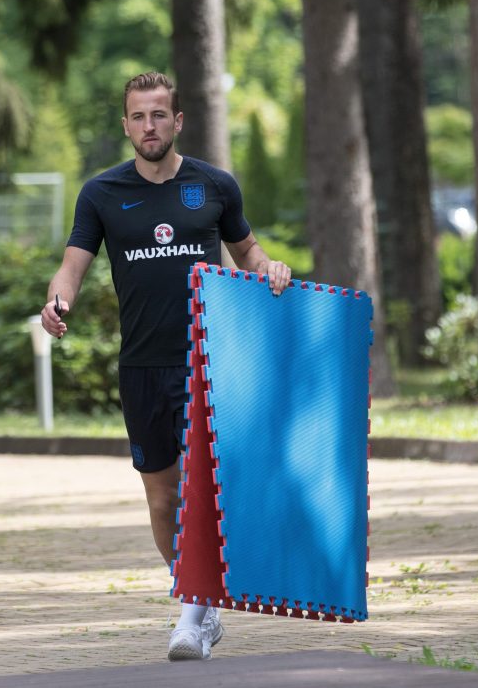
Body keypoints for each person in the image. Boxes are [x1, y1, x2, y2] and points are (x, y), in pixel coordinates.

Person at [40, 71, 291, 661]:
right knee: (162, 499)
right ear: (125, 124)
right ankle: (198, 599)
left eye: (159, 115)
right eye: (138, 116)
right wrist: (57, 303)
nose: (149, 126)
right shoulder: (102, 193)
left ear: (177, 121)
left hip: (208, 361)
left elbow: (247, 250)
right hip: (142, 366)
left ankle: (192, 615)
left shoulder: (214, 185)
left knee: (203, 487)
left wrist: (270, 267)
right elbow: (71, 266)